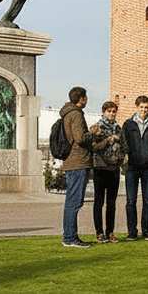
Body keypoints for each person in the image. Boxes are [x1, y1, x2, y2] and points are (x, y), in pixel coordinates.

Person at [59, 87, 94, 248]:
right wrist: (93, 132)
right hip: (78, 161)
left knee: (71, 200)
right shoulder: (76, 114)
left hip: (71, 161)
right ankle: (70, 237)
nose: (87, 99)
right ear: (81, 98)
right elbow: (80, 138)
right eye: (85, 97)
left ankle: (69, 235)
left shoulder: (67, 113)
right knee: (74, 201)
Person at [90, 100, 125, 244]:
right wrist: (108, 140)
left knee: (112, 202)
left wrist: (121, 158)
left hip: (114, 169)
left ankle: (110, 231)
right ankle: (99, 232)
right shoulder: (96, 128)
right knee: (99, 202)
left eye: (113, 111)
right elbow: (93, 147)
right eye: (109, 111)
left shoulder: (118, 128)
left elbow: (124, 145)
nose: (111, 114)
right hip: (100, 168)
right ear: (104, 112)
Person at [122, 95, 148, 241]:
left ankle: (147, 231)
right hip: (132, 167)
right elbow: (123, 144)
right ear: (137, 107)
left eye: (146, 107)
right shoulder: (128, 124)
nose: (143, 110)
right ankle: (132, 231)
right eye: (141, 107)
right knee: (131, 201)